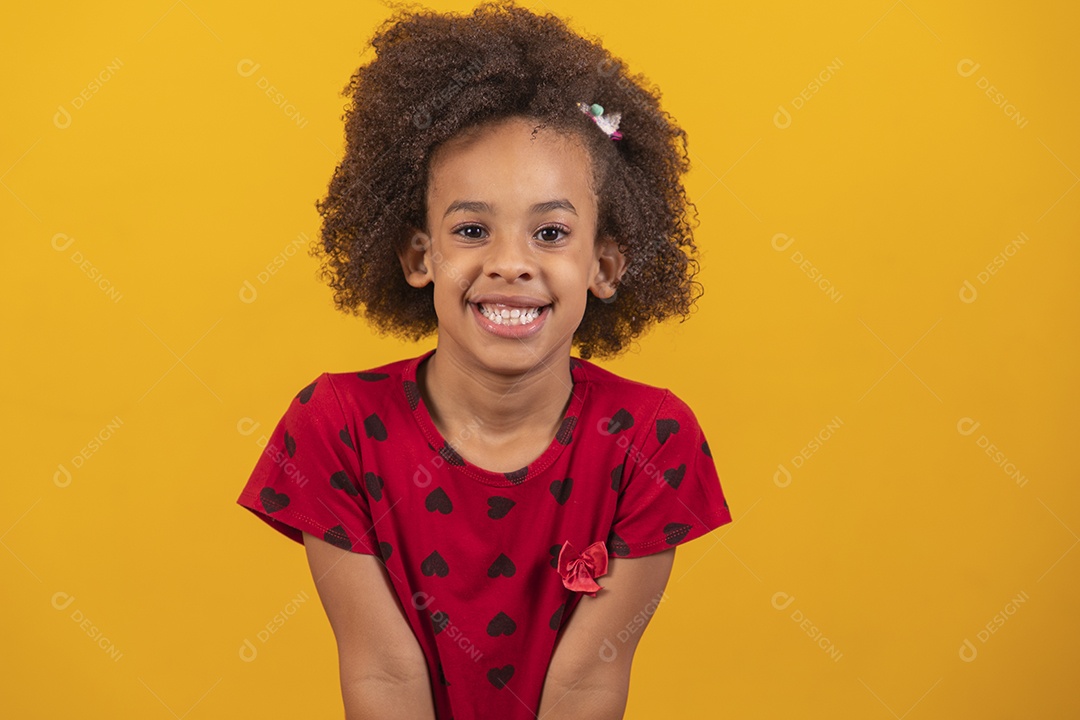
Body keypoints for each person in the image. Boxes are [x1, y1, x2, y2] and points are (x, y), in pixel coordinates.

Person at [235, 2, 733, 717]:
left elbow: (588, 682)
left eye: (551, 232)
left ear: (606, 264)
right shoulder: (335, 426)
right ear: (419, 256)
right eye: (472, 228)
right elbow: (381, 672)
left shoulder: (651, 440)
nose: (510, 264)